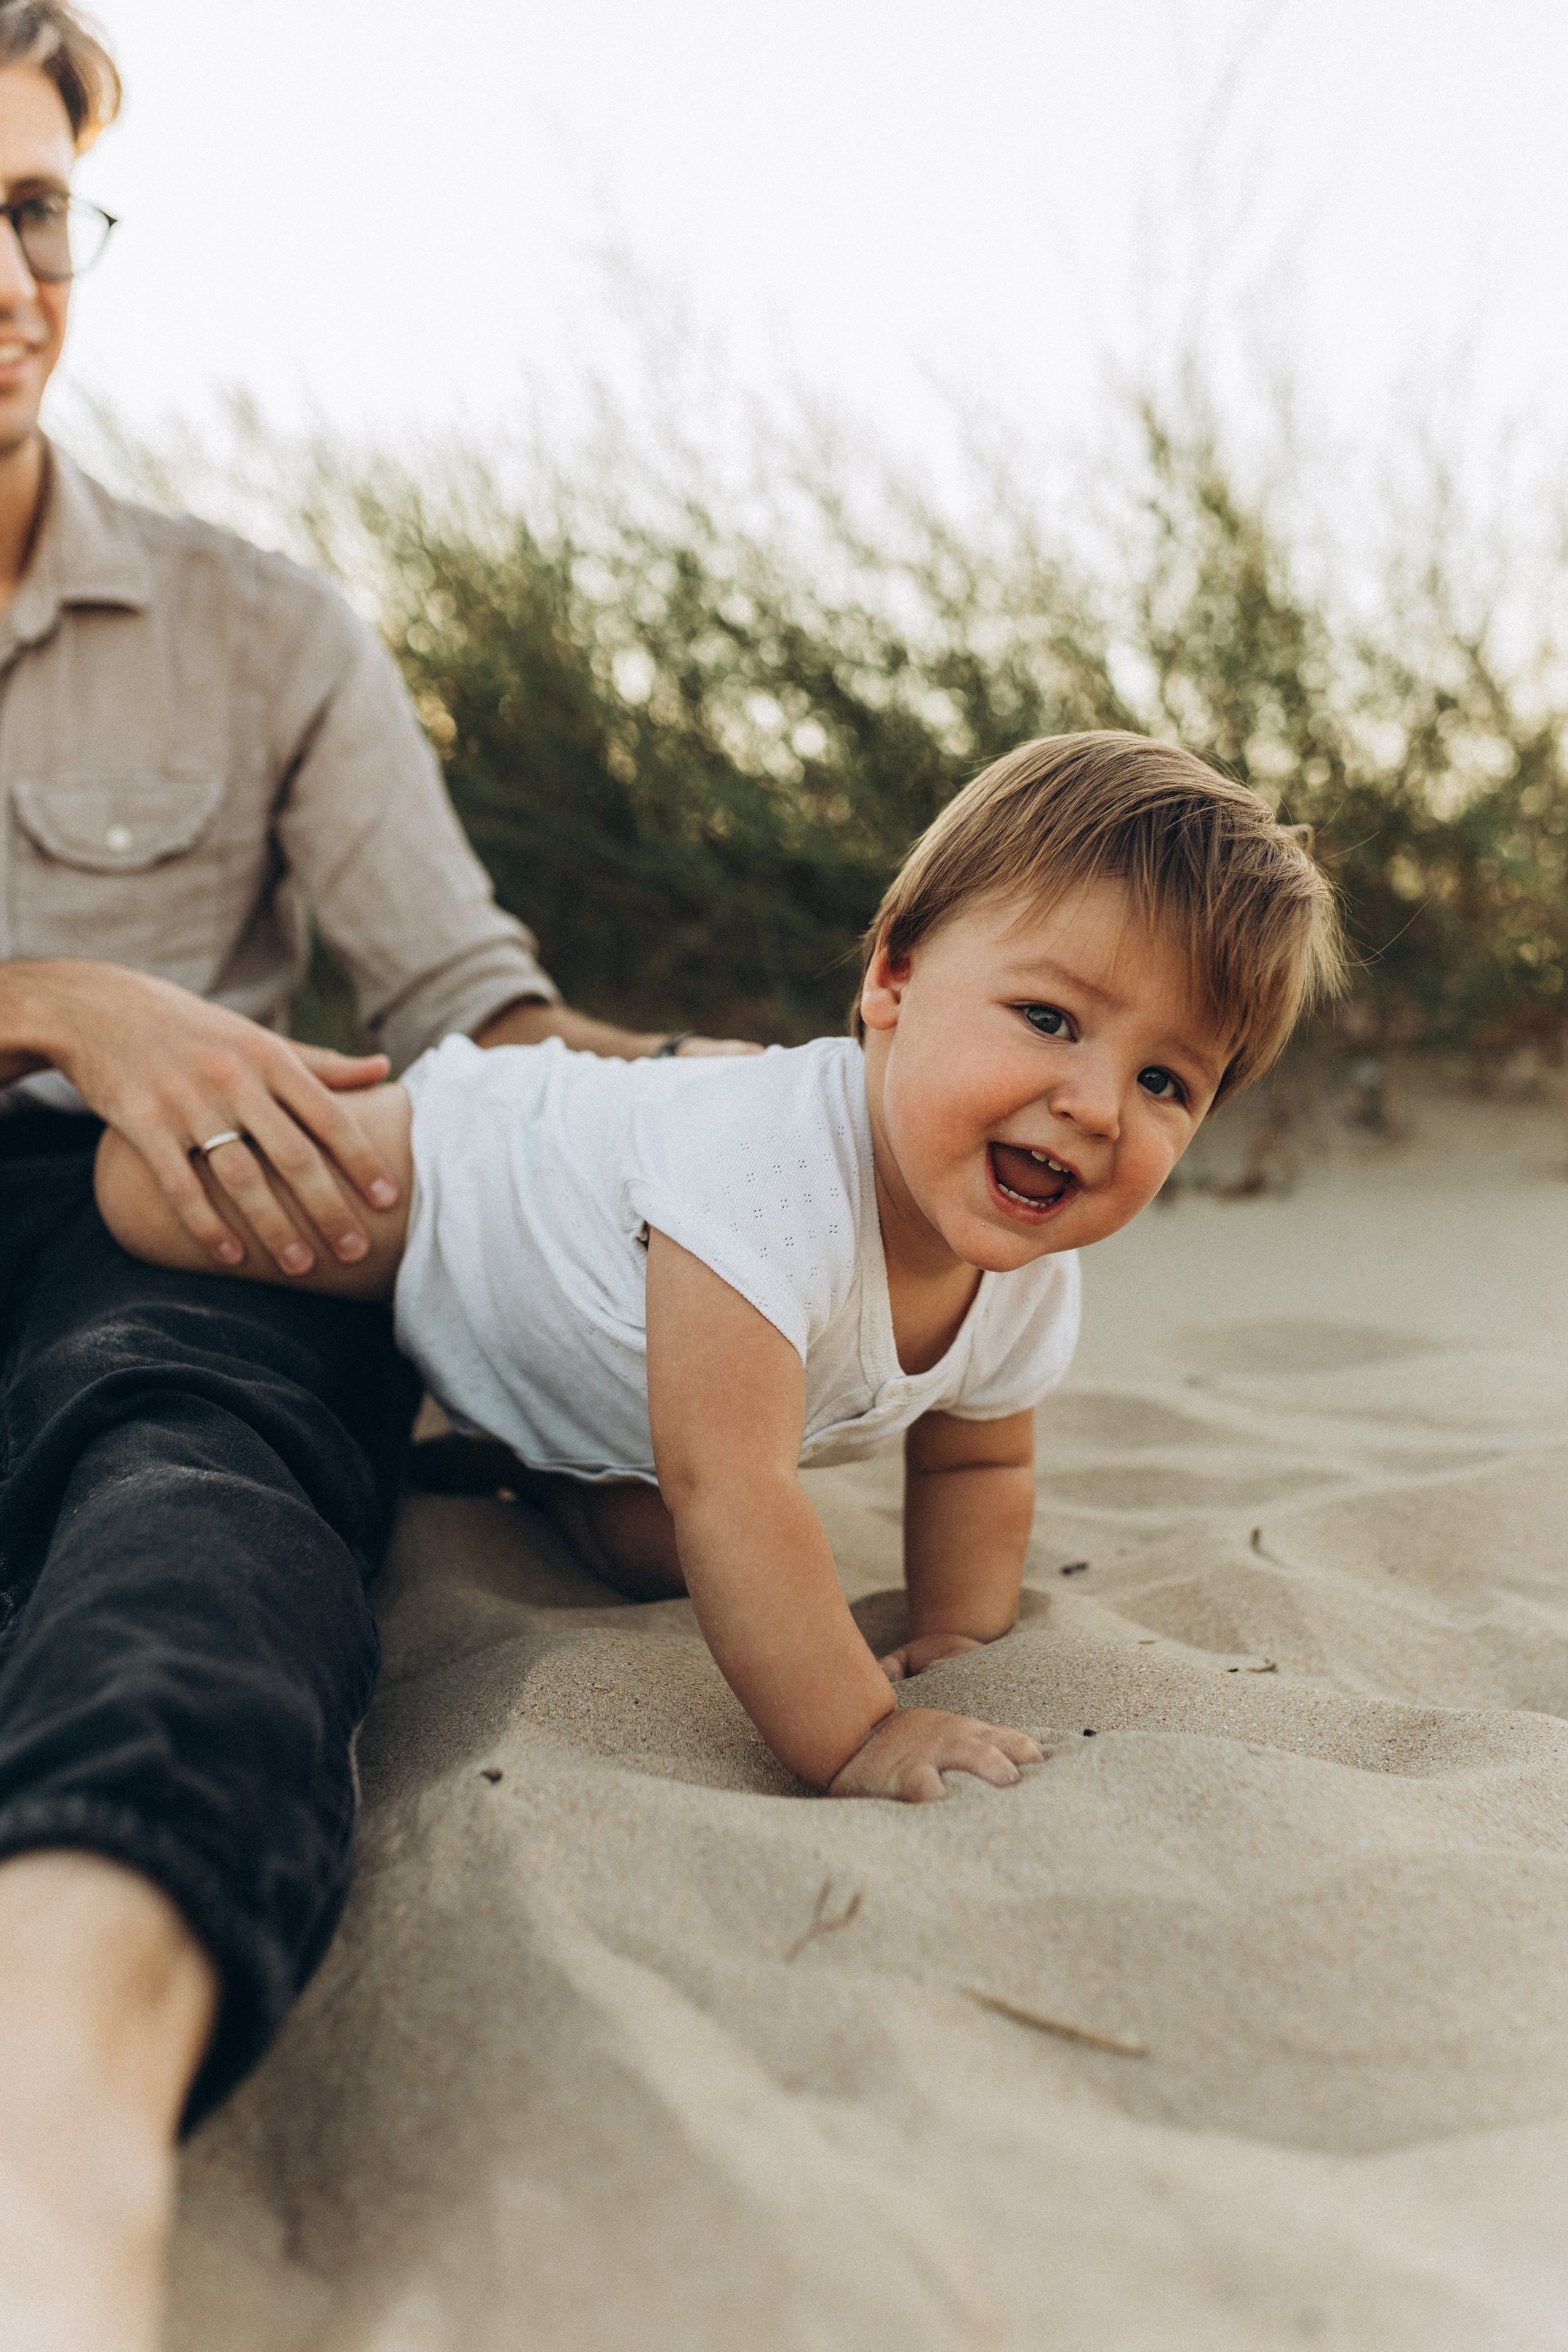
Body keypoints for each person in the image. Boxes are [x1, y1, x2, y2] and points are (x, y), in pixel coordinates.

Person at [0, 9, 748, 2348]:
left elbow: (470, 1015)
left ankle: (54, 2133)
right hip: (97, 1089)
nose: (10, 271)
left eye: (35, 211)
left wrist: (781, 1113)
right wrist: (59, 992)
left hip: (152, 1227)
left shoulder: (269, 628)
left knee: (202, 1510)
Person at [100, 733, 1345, 1803]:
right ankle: (259, 1077)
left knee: (656, 1548)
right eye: (1049, 1020)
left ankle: (528, 1471)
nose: (1092, 1105)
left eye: (1163, 1081)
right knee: (157, 1191)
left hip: (606, 1371)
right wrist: (857, 1732)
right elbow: (739, 1488)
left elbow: (975, 1455)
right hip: (465, 1189)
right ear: (893, 980)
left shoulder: (1025, 1269)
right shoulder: (769, 1172)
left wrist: (954, 1633)